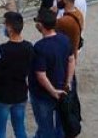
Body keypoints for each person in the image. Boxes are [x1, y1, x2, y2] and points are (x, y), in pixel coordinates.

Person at [29, 10, 74, 138]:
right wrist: (68, 82)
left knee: (45, 129)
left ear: (41, 25)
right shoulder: (65, 39)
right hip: (63, 90)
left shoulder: (40, 47)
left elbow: (41, 75)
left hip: (43, 95)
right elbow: (71, 60)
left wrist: (52, 91)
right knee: (61, 127)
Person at [0, 12, 33, 138]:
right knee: (20, 129)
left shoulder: (1, 49)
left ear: (9, 28)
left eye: (4, 23)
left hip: (2, 95)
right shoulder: (29, 47)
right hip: (20, 94)